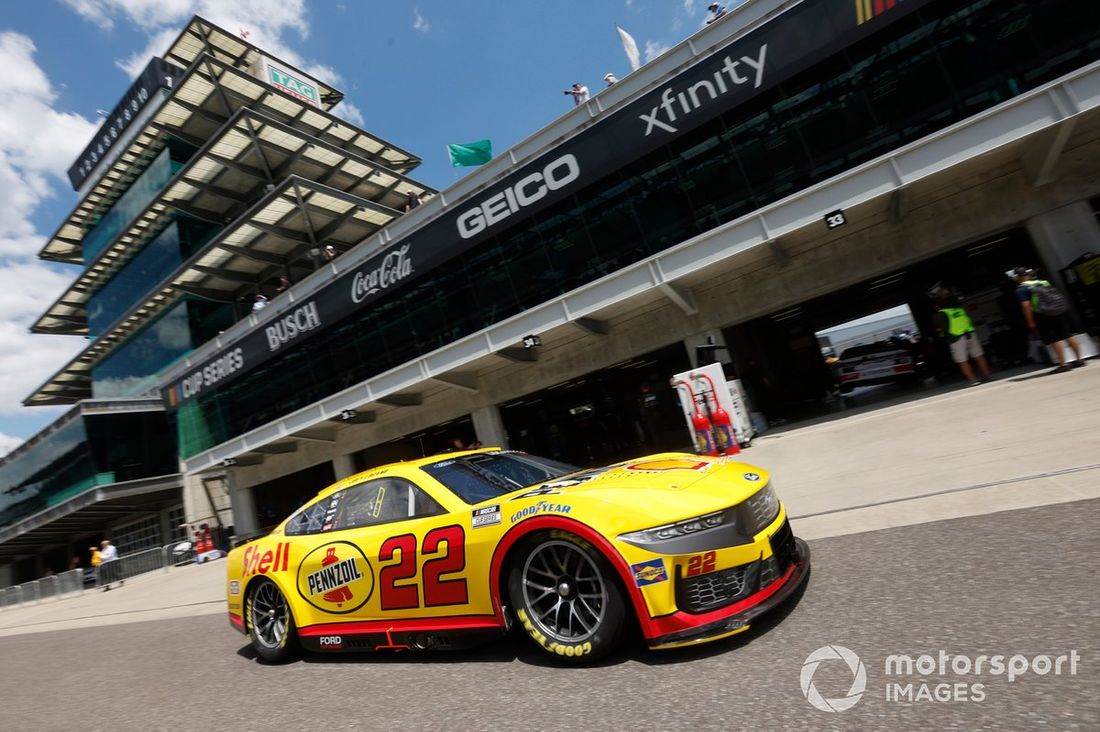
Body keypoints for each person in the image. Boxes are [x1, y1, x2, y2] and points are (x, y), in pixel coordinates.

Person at [1010, 266, 1086, 373]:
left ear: (1017, 277)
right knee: (1068, 334)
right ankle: (1079, 359)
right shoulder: (1043, 282)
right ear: (1028, 274)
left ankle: (1063, 364)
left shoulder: (1021, 289)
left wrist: (1030, 321)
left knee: (1054, 339)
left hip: (1043, 314)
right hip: (1060, 310)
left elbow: (1026, 306)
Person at [929, 284, 991, 386]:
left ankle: (973, 380)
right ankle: (987, 375)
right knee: (979, 356)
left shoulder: (940, 314)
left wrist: (942, 335)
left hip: (956, 338)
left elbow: (939, 329)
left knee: (962, 360)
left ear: (938, 305)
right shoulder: (960, 310)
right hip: (970, 334)